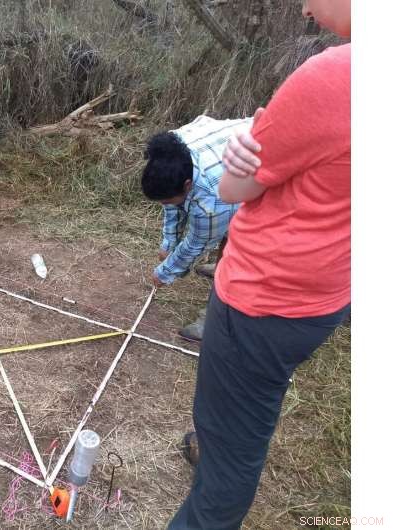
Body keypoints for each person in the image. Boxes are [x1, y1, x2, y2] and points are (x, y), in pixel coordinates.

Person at [168, 1, 351, 528]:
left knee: (234, 453)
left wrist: (243, 158)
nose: (304, 7)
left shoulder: (337, 75)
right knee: (242, 414)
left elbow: (232, 189)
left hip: (267, 296)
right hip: (321, 295)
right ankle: (218, 443)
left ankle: (218, 468)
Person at [141, 115, 250, 341]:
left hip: (275, 175)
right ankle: (223, 264)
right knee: (225, 227)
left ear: (188, 185)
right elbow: (171, 200)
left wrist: (166, 272)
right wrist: (169, 242)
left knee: (242, 247)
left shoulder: (212, 198)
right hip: (237, 154)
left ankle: (216, 319)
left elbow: (196, 244)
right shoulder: (172, 152)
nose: (166, 204)